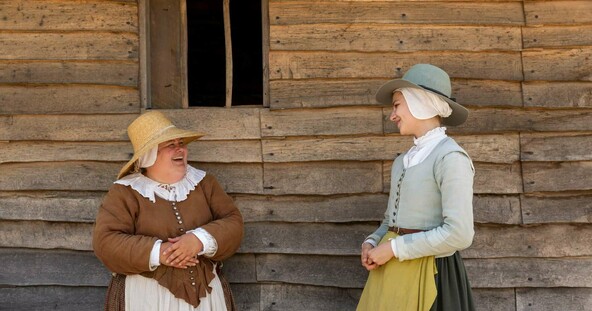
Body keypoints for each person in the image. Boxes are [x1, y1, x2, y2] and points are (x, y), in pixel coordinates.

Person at [93, 110, 244, 311]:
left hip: (206, 297)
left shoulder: (204, 183)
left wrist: (198, 240)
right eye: (170, 145)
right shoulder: (125, 192)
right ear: (149, 155)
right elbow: (106, 242)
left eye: (181, 143)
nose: (180, 149)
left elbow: (233, 222)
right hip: (147, 299)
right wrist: (160, 252)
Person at [357, 64, 476, 311]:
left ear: (420, 102)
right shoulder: (402, 161)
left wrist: (394, 248)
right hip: (391, 273)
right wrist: (372, 242)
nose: (392, 115)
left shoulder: (451, 157)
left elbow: (460, 233)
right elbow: (391, 221)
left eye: (397, 105)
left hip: (431, 274)